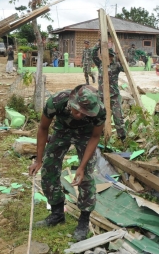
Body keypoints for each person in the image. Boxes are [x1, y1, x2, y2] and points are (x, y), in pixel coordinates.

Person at [28, 84, 106, 241]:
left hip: (86, 135)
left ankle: (83, 221)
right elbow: (43, 128)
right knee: (49, 168)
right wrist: (38, 160)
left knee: (86, 177)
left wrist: (82, 167)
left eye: (83, 113)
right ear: (71, 101)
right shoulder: (57, 102)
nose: (78, 115)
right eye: (76, 110)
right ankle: (57, 214)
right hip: (62, 131)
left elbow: (95, 137)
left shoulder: (99, 111)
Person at [91, 43, 126, 141]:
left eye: (111, 56)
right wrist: (98, 44)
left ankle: (122, 137)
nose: (109, 58)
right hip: (101, 96)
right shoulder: (100, 64)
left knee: (118, 117)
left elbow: (125, 67)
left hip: (114, 95)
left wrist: (120, 56)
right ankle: (100, 135)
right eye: (107, 56)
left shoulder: (116, 65)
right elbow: (93, 54)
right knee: (100, 117)